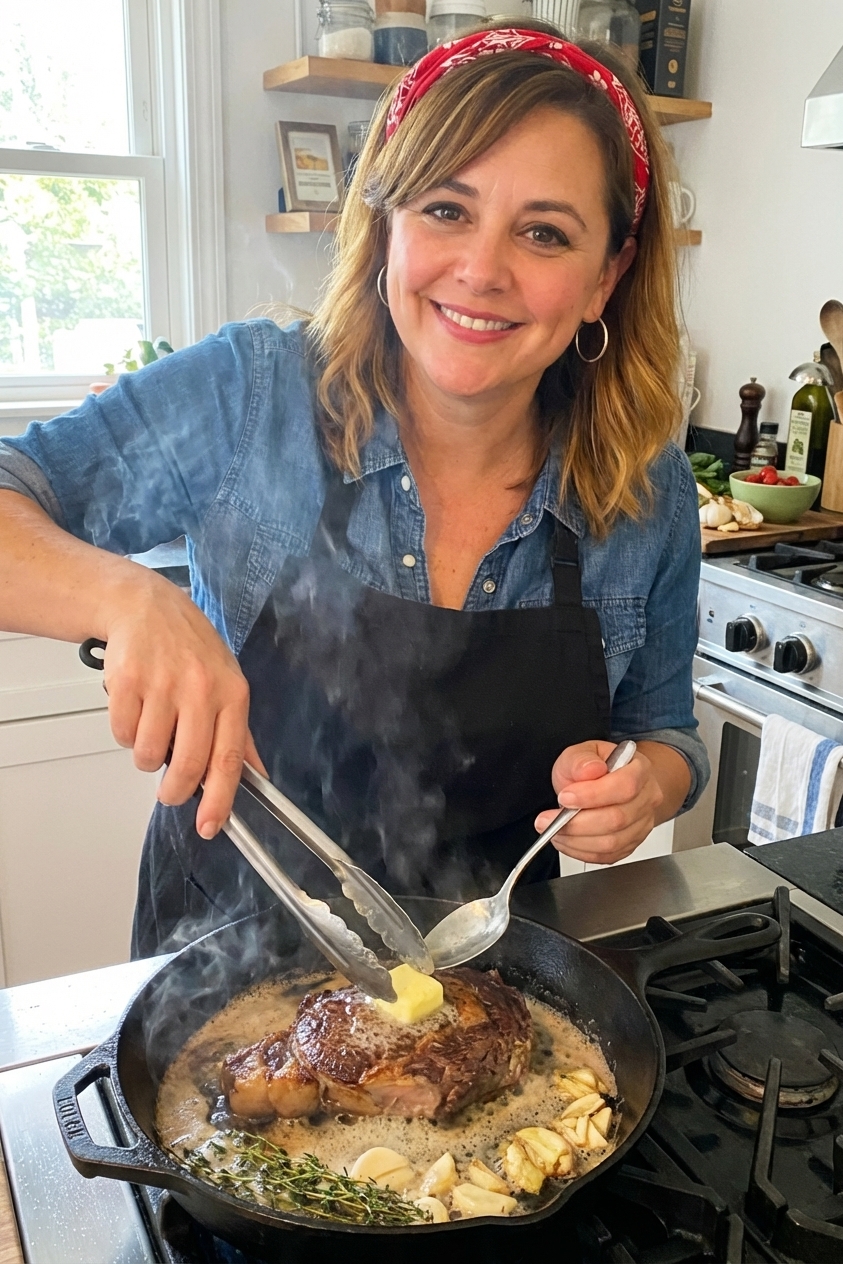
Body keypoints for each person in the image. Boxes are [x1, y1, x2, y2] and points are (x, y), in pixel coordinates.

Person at [0, 23, 708, 956]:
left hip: (490, 985)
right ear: (385, 226)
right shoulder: (250, 394)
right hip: (220, 972)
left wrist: (646, 783)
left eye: (544, 232)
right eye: (446, 210)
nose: (482, 271)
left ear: (604, 277)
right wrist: (128, 599)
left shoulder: (645, 488)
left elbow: (663, 730)